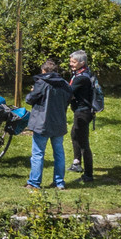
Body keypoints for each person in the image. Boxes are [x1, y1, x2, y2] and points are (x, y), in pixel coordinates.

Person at [24, 57, 72, 190]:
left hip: (42, 123)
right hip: (59, 122)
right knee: (59, 153)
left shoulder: (42, 83)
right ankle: (59, 182)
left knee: (38, 153)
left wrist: (32, 92)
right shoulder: (64, 84)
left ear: (44, 71)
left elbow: (30, 99)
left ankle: (34, 183)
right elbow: (69, 99)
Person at [67, 50, 98, 184]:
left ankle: (88, 174)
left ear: (82, 63)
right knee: (74, 134)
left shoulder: (82, 77)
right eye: (71, 61)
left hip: (83, 112)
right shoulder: (83, 73)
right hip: (82, 111)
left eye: (74, 62)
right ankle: (76, 162)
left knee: (84, 142)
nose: (71, 64)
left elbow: (68, 91)